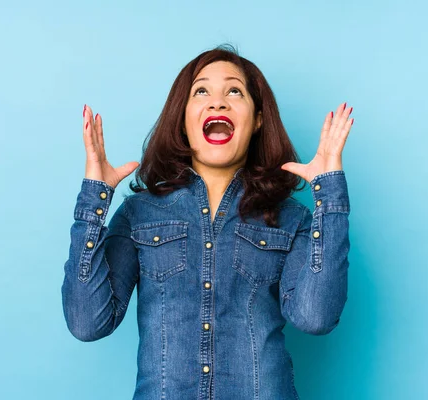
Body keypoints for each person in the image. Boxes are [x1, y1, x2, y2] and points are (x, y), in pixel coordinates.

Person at [61, 44, 353, 399]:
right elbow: (87, 322)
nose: (218, 102)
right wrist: (95, 196)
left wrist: (329, 196)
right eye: (201, 91)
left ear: (258, 119)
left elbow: (316, 317)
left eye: (234, 91)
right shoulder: (139, 213)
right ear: (183, 118)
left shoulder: (292, 218)